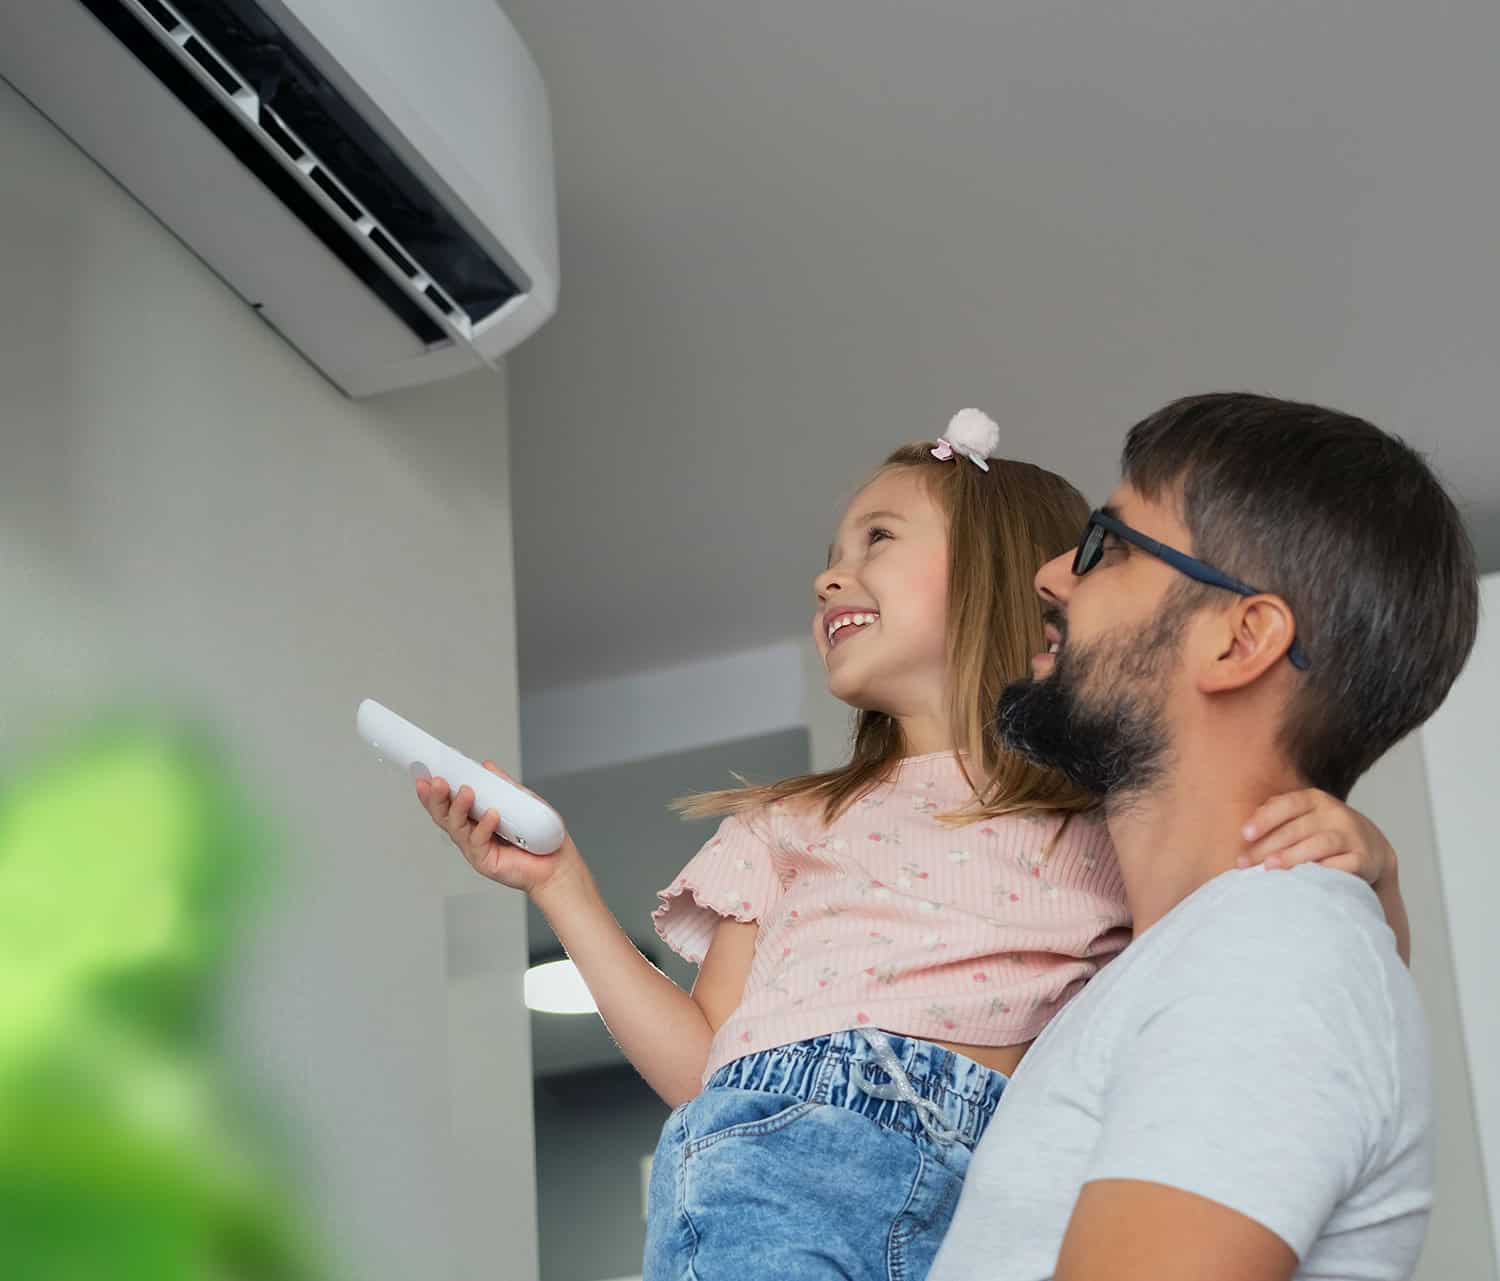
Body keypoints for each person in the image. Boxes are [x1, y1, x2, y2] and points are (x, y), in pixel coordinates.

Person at [415, 409, 1412, 1281]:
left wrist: (1372, 863)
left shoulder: (1110, 826)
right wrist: (564, 888)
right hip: (782, 1154)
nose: (828, 574)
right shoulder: (792, 822)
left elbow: (1302, 980)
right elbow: (710, 1063)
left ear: (994, 577)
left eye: (880, 538)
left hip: (973, 1167)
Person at [930, 392, 1478, 1281]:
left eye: (1107, 544)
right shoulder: (1210, 956)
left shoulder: (1274, 953)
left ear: (1239, 640)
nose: (1052, 573)